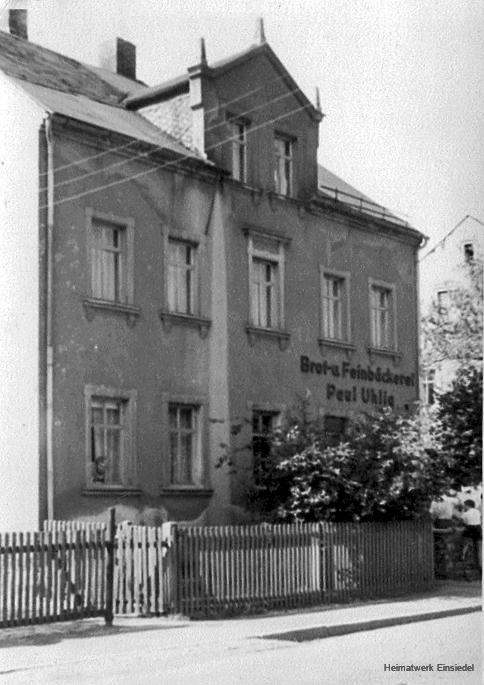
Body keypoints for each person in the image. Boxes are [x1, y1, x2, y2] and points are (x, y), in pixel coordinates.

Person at [461, 499, 482, 571]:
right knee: (479, 546)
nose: (464, 507)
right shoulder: (478, 511)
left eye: (464, 505)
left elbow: (464, 522)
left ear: (467, 505)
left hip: (470, 528)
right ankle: (480, 564)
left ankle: (463, 555)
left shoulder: (465, 513)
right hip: (478, 528)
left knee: (466, 542)